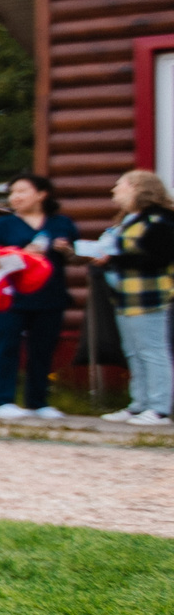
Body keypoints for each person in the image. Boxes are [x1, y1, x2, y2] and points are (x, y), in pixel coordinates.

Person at [0, 172, 78, 420]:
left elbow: (76, 257)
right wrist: (23, 253)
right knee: (4, 347)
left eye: (22, 191)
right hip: (9, 297)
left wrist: (66, 251)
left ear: (42, 194)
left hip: (50, 296)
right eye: (12, 192)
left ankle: (39, 402)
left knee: (43, 349)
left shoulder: (61, 223)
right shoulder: (1, 225)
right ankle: (2, 400)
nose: (16, 197)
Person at [86, 169, 174, 425]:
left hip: (149, 295)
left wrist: (115, 258)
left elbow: (158, 257)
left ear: (137, 188)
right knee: (133, 351)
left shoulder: (161, 220)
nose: (114, 191)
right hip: (125, 296)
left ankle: (159, 408)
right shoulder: (129, 220)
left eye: (119, 185)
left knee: (152, 350)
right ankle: (139, 404)